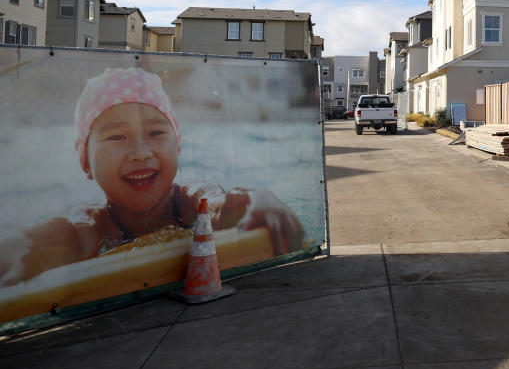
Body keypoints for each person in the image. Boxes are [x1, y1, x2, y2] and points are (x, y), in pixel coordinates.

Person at [0, 67, 304, 287]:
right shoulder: (91, 228)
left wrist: (256, 200)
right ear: (86, 162)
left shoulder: (189, 201)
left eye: (156, 133)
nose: (140, 152)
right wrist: (23, 247)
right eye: (117, 137)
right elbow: (63, 235)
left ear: (178, 145)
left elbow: (218, 204)